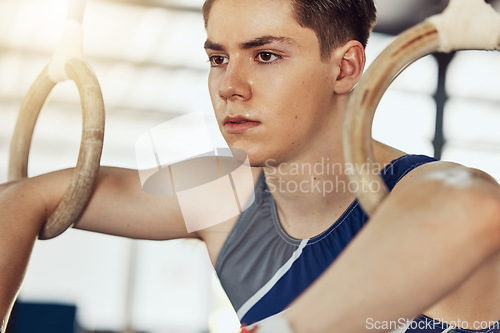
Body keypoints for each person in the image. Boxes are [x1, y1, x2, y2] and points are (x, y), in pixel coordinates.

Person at [1, 0, 500, 332]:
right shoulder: (225, 192)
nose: (229, 86)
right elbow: (26, 197)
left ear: (345, 68)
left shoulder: (418, 192)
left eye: (265, 55)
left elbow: (471, 207)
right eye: (218, 59)